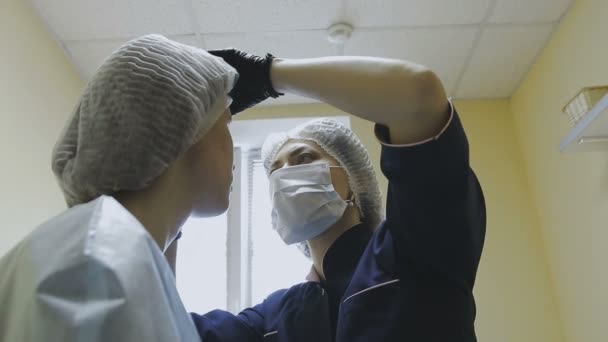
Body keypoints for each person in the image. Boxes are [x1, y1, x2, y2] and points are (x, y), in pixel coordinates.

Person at [190, 50, 487, 341]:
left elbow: (418, 97)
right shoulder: (272, 319)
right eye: (275, 171)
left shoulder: (413, 251)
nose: (284, 176)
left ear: (354, 182)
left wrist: (268, 76)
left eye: (303, 158)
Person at [0, 34, 242, 342]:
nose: (234, 157)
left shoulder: (101, 244)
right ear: (188, 128)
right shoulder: (100, 261)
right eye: (227, 124)